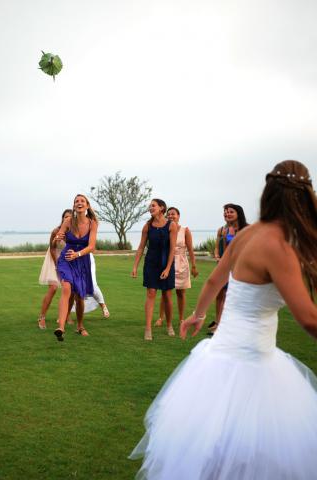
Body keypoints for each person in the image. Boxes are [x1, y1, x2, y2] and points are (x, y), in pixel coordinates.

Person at [130, 160, 317, 479]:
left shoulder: (248, 235)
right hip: (251, 367)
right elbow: (309, 319)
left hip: (219, 359)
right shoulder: (278, 246)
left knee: (216, 453)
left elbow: (215, 281)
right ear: (304, 198)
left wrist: (198, 315)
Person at [53, 194, 98, 341]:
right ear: (74, 206)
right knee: (66, 288)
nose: (79, 203)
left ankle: (80, 326)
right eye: (76, 201)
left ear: (87, 206)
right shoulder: (68, 221)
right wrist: (58, 237)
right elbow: (59, 236)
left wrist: (77, 254)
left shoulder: (92, 224)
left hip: (82, 260)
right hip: (66, 259)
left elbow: (91, 247)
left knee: (79, 297)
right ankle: (61, 327)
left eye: (82, 201)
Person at [131, 199, 177, 340]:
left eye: (153, 205)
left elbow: (172, 249)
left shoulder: (171, 225)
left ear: (161, 208)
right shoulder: (148, 226)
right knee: (151, 293)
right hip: (151, 263)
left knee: (167, 295)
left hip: (165, 263)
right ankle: (148, 328)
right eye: (150, 206)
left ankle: (169, 325)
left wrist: (168, 268)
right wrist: (135, 266)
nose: (150, 208)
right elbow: (140, 247)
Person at [154, 207, 198, 325]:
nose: (171, 216)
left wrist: (194, 265)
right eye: (169, 214)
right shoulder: (165, 229)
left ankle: (181, 319)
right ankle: (161, 318)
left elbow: (190, 249)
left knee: (180, 293)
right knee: (165, 292)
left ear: (178, 216)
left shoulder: (185, 230)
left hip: (182, 264)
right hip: (167, 262)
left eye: (173, 214)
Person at [210, 203, 249, 333]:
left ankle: (230, 325)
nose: (227, 214)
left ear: (239, 213)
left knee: (234, 296)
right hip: (223, 267)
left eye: (231, 212)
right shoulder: (222, 230)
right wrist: (217, 256)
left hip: (240, 268)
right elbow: (217, 246)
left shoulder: (247, 229)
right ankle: (218, 322)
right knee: (220, 295)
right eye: (225, 212)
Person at [37, 209, 73, 329]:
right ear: (62, 218)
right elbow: (52, 248)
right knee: (53, 288)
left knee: (68, 290)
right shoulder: (56, 231)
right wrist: (58, 264)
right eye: (65, 217)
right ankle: (41, 317)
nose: (67, 219)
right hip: (54, 259)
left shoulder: (74, 233)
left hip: (67, 261)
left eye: (70, 217)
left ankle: (65, 315)